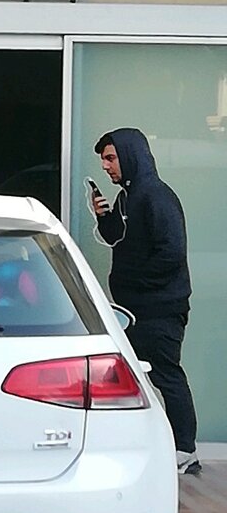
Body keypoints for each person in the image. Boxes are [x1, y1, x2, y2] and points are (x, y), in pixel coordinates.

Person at [91, 127, 200, 475]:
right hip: (134, 310)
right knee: (135, 377)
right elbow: (117, 239)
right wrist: (103, 217)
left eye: (111, 158)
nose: (106, 166)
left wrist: (134, 283)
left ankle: (185, 449)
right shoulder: (128, 197)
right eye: (104, 160)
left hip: (160, 309)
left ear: (129, 155)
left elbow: (171, 253)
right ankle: (143, 444)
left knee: (166, 374)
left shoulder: (157, 196)